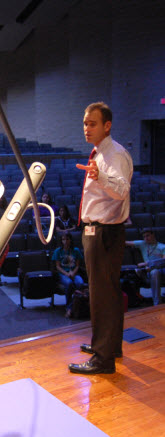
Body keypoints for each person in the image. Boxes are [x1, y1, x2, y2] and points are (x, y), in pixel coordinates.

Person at [68, 102, 133, 375]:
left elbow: (121, 190)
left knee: (101, 296)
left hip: (103, 233)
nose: (86, 128)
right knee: (108, 293)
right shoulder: (101, 152)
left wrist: (100, 175)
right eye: (85, 123)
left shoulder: (113, 155)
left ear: (107, 125)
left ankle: (101, 359)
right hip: (103, 232)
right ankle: (110, 347)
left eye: (92, 123)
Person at [126, 228, 165, 306]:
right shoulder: (142, 244)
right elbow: (126, 243)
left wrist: (147, 263)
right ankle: (157, 304)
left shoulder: (162, 246)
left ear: (153, 235)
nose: (146, 238)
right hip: (151, 271)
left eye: (148, 236)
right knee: (154, 272)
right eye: (144, 237)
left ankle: (150, 265)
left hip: (162, 268)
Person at [52, 232, 85, 318]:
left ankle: (74, 307)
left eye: (67, 239)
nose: (65, 241)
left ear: (70, 240)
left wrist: (73, 273)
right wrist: (67, 273)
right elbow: (58, 267)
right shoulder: (58, 251)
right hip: (63, 274)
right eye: (63, 239)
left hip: (74, 273)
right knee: (69, 283)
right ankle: (69, 308)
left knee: (80, 283)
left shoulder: (76, 250)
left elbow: (78, 265)